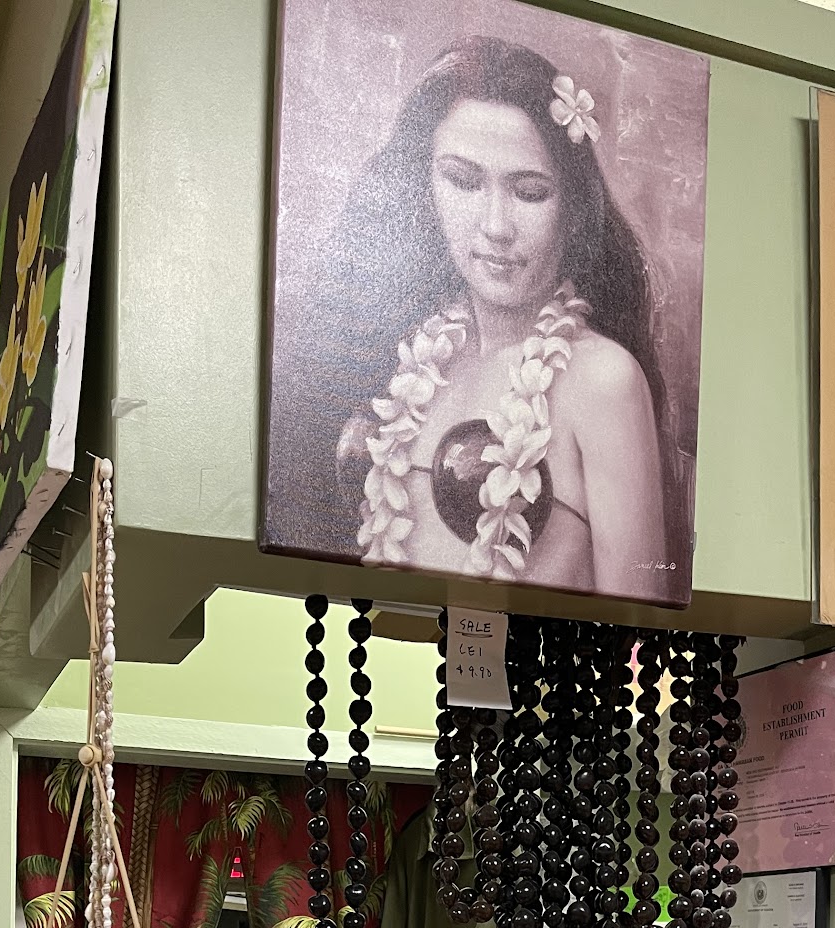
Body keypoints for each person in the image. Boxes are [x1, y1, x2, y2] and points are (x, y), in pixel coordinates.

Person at [271, 36, 683, 596]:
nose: (495, 226)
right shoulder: (410, 354)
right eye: (463, 182)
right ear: (425, 187)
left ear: (572, 208)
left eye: (530, 192)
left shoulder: (604, 380)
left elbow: (640, 622)